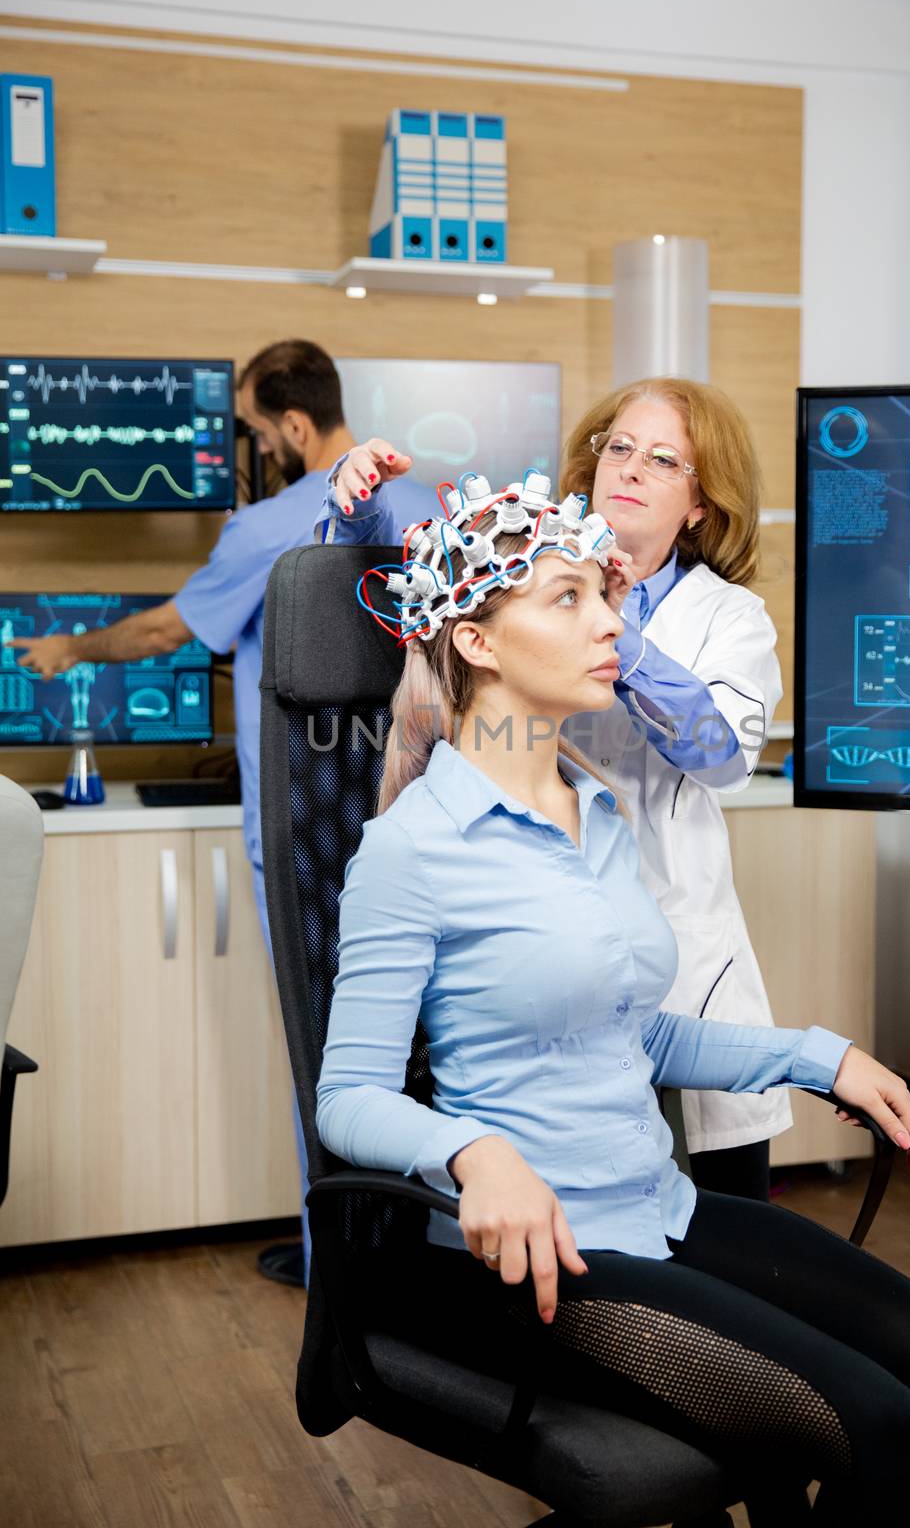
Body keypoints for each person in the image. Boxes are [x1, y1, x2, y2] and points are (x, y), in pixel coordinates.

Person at [315, 474, 910, 1525]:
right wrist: (471, 1152)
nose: (607, 626)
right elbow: (345, 1095)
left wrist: (817, 1055)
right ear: (479, 644)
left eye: (606, 598)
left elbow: (637, 1030)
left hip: (656, 1208)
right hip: (550, 1257)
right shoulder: (413, 848)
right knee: (879, 1425)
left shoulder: (599, 813)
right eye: (567, 599)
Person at [322, 377, 793, 1203]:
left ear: (699, 504)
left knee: (719, 1217)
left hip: (675, 947)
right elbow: (441, 590)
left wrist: (620, 637)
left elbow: (719, 755)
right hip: (536, 945)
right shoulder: (535, 575)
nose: (631, 467)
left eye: (663, 459)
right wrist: (363, 515)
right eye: (618, 447)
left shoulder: (728, 619)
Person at [14, 338, 394, 1288]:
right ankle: (414, 1256)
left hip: (307, 832)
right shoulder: (424, 504)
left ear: (294, 427)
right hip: (411, 819)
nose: (254, 448)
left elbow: (159, 630)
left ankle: (338, 1271)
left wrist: (68, 647)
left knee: (328, 1051)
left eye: (257, 432)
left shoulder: (267, 526)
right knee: (409, 1043)